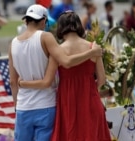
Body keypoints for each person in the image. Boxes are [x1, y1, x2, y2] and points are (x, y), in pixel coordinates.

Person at [9, 5, 103, 141]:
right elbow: (66, 63)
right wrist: (92, 53)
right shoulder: (46, 37)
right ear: (43, 21)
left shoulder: (13, 43)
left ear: (26, 21)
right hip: (46, 105)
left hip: (25, 106)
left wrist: (18, 101)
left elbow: (13, 81)